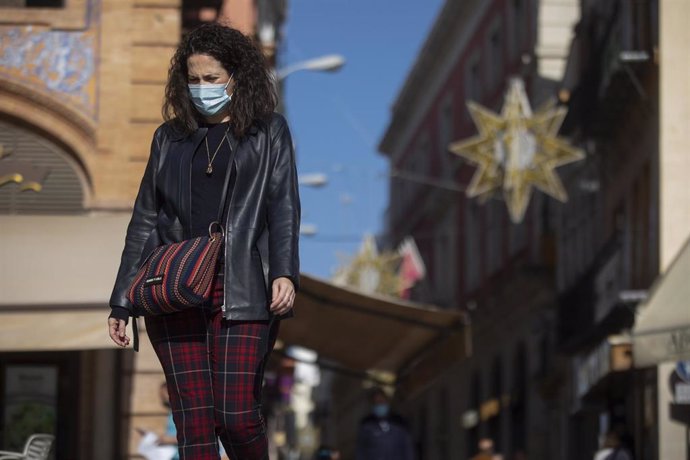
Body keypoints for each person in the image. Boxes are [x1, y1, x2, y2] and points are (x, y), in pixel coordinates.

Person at [107, 22, 300, 459]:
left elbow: (282, 206)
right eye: (193, 79)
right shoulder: (168, 139)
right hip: (173, 287)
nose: (201, 88)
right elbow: (144, 220)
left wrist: (284, 272)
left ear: (237, 77)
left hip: (243, 286)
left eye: (212, 79)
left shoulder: (268, 132)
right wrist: (121, 299)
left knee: (235, 414)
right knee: (193, 420)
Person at [355, 387, 415, 460]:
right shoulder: (367, 426)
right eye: (377, 403)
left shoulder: (399, 423)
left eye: (382, 402)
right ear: (373, 405)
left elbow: (407, 449)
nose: (380, 405)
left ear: (387, 402)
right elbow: (361, 451)